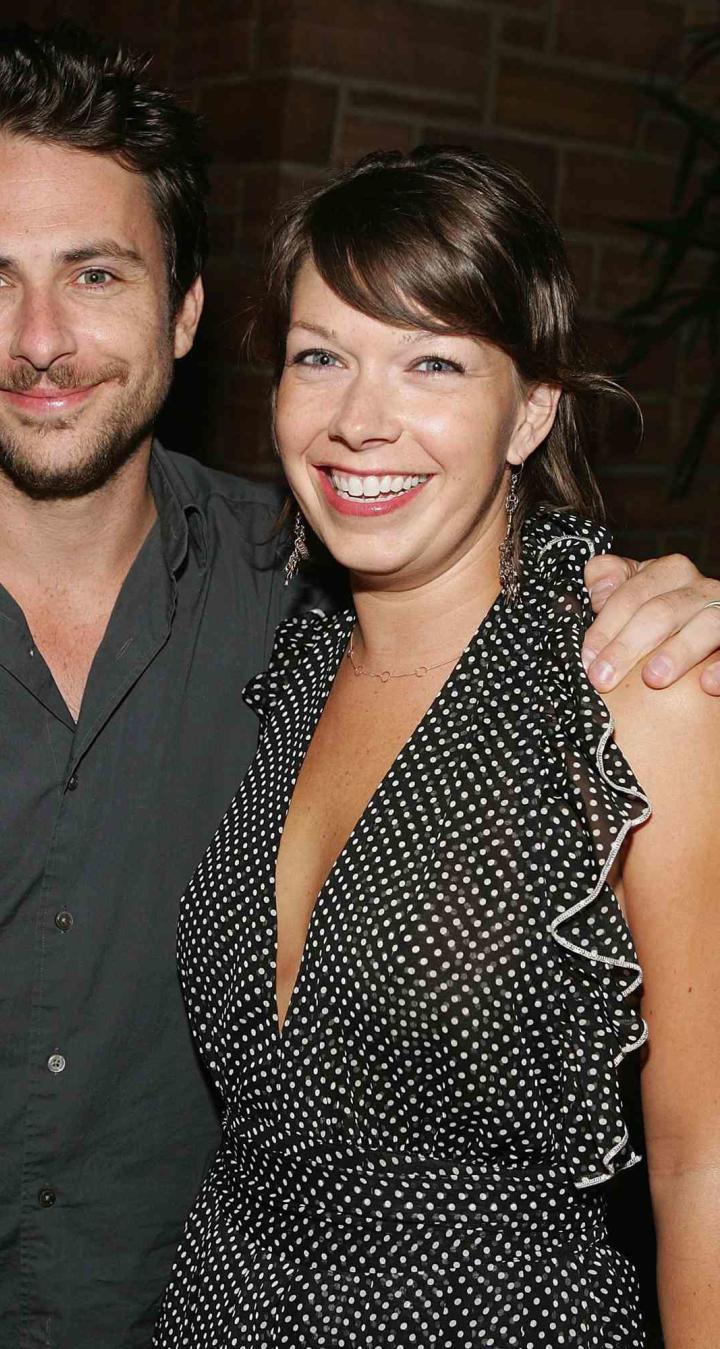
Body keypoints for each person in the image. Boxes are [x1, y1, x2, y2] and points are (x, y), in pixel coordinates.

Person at [0, 25, 717, 1349]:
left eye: (96, 274)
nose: (43, 339)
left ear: (187, 312)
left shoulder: (298, 591)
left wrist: (684, 612)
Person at [154, 148, 720, 1347]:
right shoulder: (290, 669)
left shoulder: (628, 688)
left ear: (531, 408)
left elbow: (703, 1166)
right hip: (226, 1302)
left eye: (432, 361)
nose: (361, 418)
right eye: (321, 356)